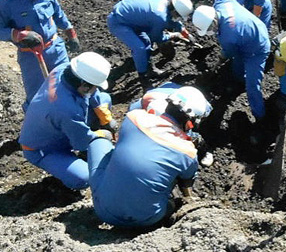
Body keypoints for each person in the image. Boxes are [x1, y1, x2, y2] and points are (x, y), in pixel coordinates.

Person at [87, 86, 212, 228]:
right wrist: (188, 198)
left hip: (104, 210)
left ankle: (108, 184)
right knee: (171, 191)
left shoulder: (133, 118)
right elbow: (186, 182)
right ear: (190, 122)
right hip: (147, 218)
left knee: (101, 141)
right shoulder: (187, 152)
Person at [0, 0, 80, 111]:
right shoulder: (6, 2)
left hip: (56, 49)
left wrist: (70, 32)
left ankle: (68, 119)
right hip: (31, 56)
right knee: (37, 97)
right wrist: (19, 35)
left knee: (67, 85)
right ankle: (37, 127)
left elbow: (58, 14)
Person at [19, 52, 116, 190]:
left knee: (104, 99)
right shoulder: (66, 109)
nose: (96, 89)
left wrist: (104, 115)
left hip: (57, 124)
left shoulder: (64, 69)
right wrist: (101, 135)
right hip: (43, 148)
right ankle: (65, 175)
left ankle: (83, 156)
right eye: (95, 86)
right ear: (84, 86)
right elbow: (81, 141)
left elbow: (93, 94)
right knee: (84, 178)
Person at [192, 0, 270, 123]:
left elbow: (228, 53)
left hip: (258, 48)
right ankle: (238, 80)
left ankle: (260, 117)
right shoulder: (222, 2)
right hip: (251, 31)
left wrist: (220, 58)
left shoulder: (227, 35)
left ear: (213, 21)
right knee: (237, 66)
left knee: (252, 86)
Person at [106, 0, 193, 90]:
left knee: (146, 43)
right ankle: (143, 78)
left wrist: (186, 34)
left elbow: (173, 20)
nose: (179, 18)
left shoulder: (165, 4)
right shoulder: (159, 17)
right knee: (140, 48)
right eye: (179, 16)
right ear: (175, 11)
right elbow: (156, 37)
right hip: (119, 22)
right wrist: (174, 35)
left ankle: (149, 68)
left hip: (129, 16)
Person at [129, 82, 214, 167]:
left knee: (190, 133)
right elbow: (133, 109)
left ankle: (205, 148)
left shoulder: (199, 107)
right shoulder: (146, 105)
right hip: (169, 93)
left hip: (180, 93)